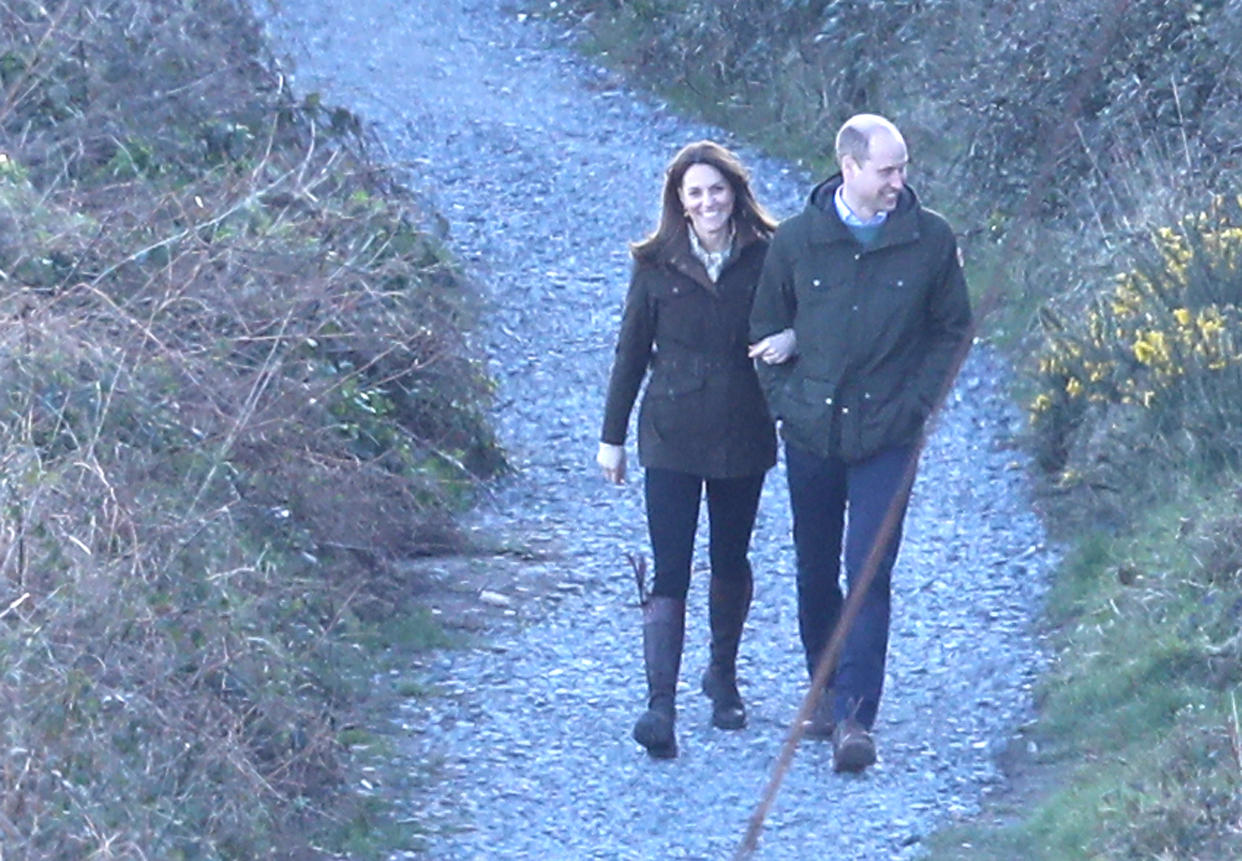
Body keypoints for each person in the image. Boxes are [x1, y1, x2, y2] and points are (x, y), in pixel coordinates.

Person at [748, 114, 972, 773]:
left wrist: (916, 405)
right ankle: (822, 687)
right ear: (849, 168)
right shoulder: (795, 242)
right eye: (887, 170)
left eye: (903, 168)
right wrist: (789, 406)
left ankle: (854, 718)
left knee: (868, 572)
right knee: (816, 568)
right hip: (812, 432)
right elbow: (764, 332)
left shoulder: (930, 241)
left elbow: (953, 331)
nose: (900, 182)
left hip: (888, 437)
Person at [597, 140, 779, 759]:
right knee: (669, 565)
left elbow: (803, 324)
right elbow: (629, 352)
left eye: (717, 190)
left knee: (731, 557)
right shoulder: (655, 264)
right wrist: (611, 438)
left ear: (735, 194)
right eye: (695, 192)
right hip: (670, 433)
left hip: (743, 429)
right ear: (679, 201)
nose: (708, 202)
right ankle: (660, 706)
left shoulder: (766, 257)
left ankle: (723, 677)